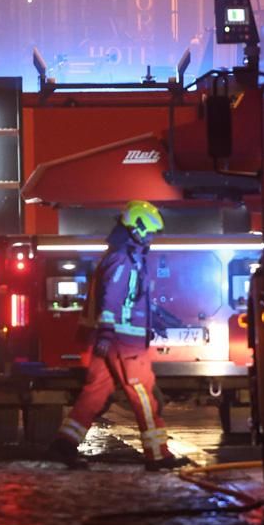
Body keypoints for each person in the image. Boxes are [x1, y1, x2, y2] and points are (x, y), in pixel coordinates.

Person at [49, 200, 192, 471]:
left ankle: (63, 445)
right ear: (136, 228)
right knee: (142, 395)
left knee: (95, 393)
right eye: (148, 232)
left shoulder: (123, 256)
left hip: (116, 339)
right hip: (124, 342)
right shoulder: (124, 259)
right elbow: (112, 300)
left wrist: (155, 319)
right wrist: (106, 332)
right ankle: (158, 455)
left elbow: (129, 299)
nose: (150, 238)